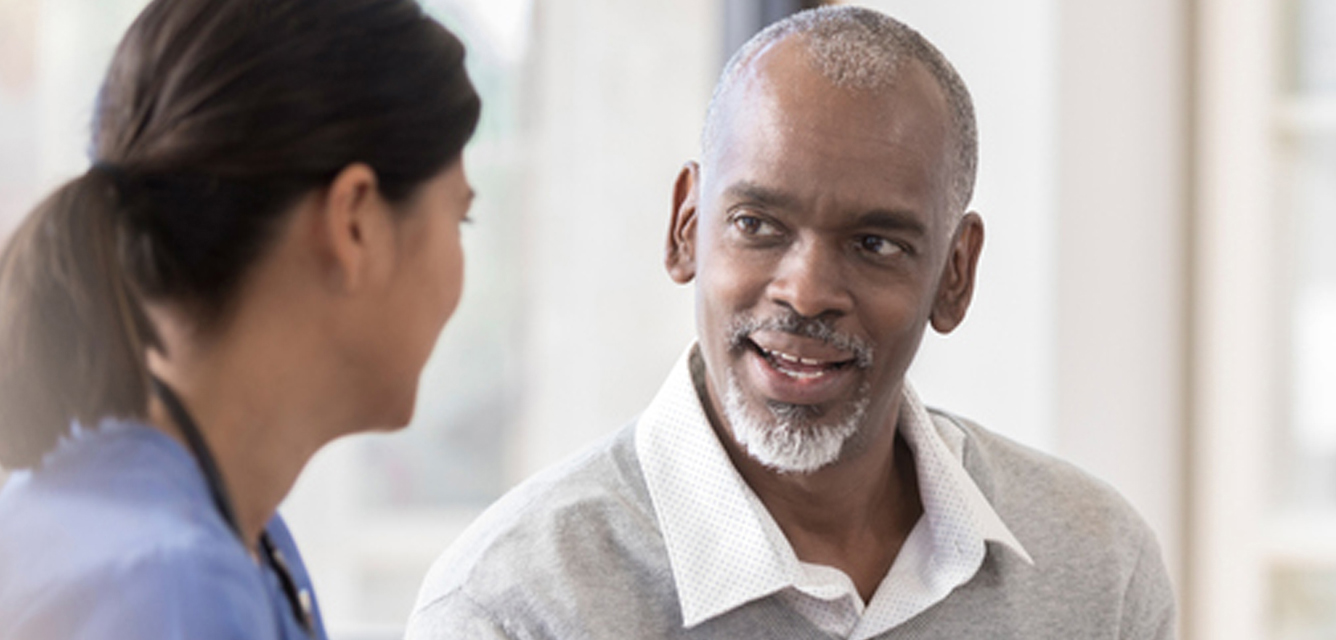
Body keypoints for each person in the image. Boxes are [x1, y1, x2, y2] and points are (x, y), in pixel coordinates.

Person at [407, 6, 1174, 639]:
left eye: (875, 244)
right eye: (757, 224)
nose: (805, 293)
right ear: (686, 228)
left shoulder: (1100, 571)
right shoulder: (512, 607)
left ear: (955, 274)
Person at [0, 0, 480, 637]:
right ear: (355, 222)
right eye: (459, 218)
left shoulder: (226, 537)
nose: (459, 274)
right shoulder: (172, 588)